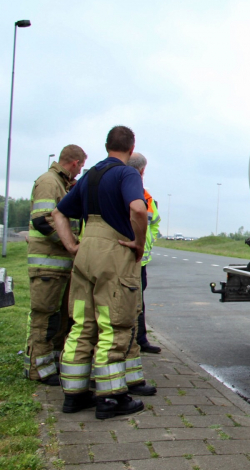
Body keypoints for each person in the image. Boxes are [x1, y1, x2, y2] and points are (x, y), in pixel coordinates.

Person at [52, 126, 153, 419]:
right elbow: (137, 208)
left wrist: (72, 245)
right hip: (113, 254)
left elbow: (58, 213)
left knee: (82, 323)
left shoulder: (89, 176)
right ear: (131, 150)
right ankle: (111, 399)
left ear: (106, 145)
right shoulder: (127, 174)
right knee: (114, 323)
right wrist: (138, 242)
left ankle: (74, 395)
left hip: (85, 255)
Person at [24, 145, 86, 385]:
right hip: (47, 264)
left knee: (57, 318)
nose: (80, 172)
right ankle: (37, 369)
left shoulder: (61, 184)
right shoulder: (50, 182)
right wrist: (70, 244)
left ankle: (50, 364)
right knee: (44, 317)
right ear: (75, 163)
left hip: (57, 266)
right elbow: (42, 220)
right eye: (80, 166)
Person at [127, 152, 162, 356]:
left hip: (140, 259)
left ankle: (140, 339)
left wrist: (150, 240)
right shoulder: (133, 192)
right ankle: (132, 340)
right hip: (126, 257)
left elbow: (154, 222)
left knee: (138, 300)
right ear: (142, 171)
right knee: (128, 300)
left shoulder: (147, 197)